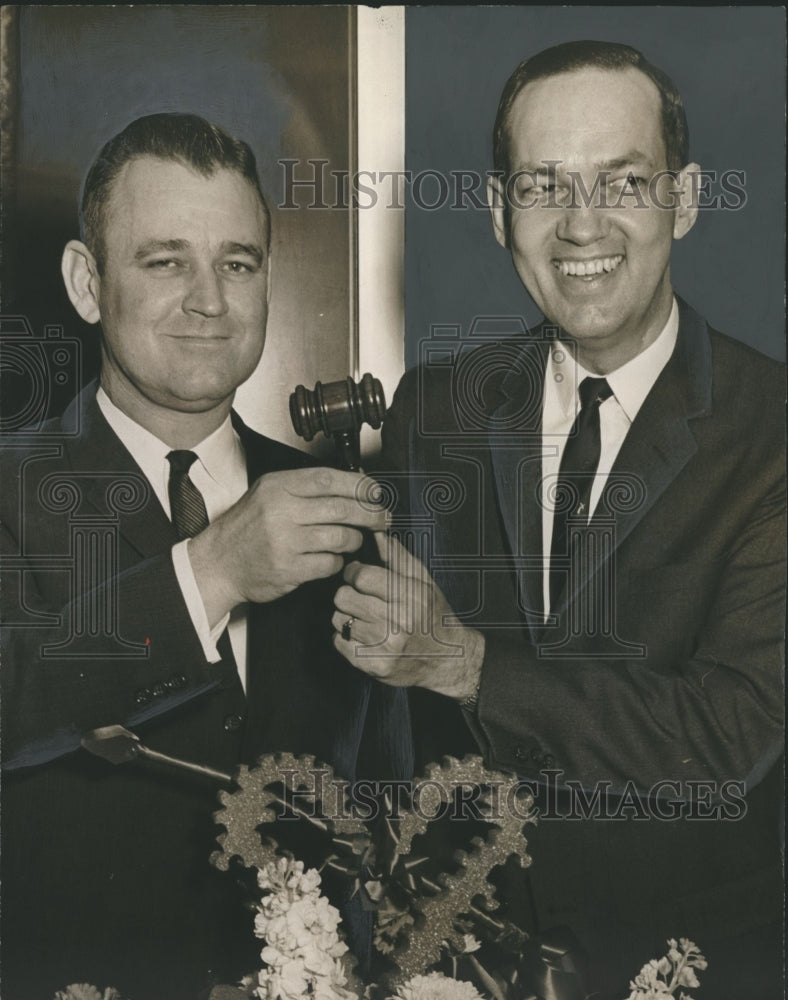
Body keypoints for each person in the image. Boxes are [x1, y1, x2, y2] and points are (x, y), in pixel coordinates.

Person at [332, 41, 784, 998]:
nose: (581, 225)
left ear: (685, 199)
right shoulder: (437, 405)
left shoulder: (772, 431)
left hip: (690, 961)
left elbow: (735, 732)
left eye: (622, 181)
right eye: (543, 186)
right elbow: (388, 724)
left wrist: (466, 664)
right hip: (452, 958)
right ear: (500, 214)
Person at [0, 113, 410, 999]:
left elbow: (386, 793)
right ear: (85, 282)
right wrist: (212, 572)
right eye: (164, 260)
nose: (209, 300)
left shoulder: (341, 502)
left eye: (237, 263)